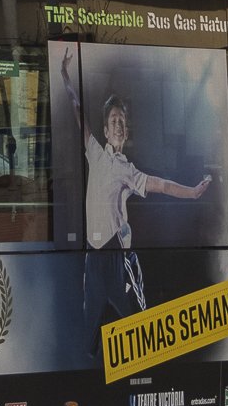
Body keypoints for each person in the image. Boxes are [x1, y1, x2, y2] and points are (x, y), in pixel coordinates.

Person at [85, 93, 215, 317]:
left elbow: (163, 185)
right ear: (106, 131)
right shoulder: (96, 154)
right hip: (93, 254)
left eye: (122, 122)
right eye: (113, 120)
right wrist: (66, 78)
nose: (118, 125)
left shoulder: (128, 170)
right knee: (92, 320)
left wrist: (193, 193)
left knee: (134, 315)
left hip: (118, 253)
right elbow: (80, 118)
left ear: (125, 133)